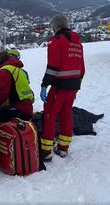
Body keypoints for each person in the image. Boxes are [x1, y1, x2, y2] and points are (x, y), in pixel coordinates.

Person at [40, 14, 85, 161]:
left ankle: (46, 152)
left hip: (59, 86)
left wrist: (44, 85)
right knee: (65, 114)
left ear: (55, 27)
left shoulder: (55, 42)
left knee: (49, 115)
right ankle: (63, 148)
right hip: (73, 85)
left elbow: (52, 67)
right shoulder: (78, 43)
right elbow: (82, 68)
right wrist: (76, 85)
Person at [0, 48, 34, 124]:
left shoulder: (5, 71)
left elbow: (2, 96)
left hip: (18, 108)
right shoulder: (17, 69)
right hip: (26, 107)